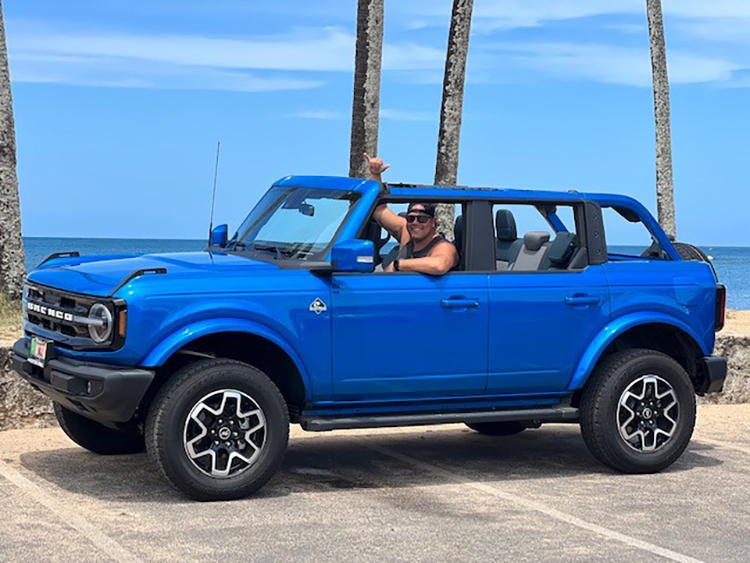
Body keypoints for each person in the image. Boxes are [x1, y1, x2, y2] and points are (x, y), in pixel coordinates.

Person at [365, 154, 458, 275]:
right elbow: (379, 210)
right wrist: (376, 175)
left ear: (433, 222)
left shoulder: (444, 247)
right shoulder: (406, 232)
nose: (415, 223)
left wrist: (397, 264)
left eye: (422, 219)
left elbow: (439, 265)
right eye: (411, 218)